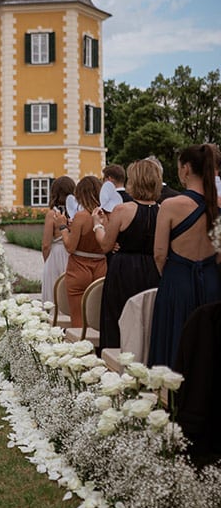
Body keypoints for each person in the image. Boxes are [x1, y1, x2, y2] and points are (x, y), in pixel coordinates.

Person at [148, 143, 221, 368]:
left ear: (186, 169)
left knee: (174, 342)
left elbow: (159, 254)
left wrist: (171, 275)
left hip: (177, 282)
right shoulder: (217, 206)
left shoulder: (170, 205)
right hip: (211, 282)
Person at [91, 159, 161, 350]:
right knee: (147, 321)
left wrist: (97, 224)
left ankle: (116, 365)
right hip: (152, 269)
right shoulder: (162, 210)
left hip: (124, 271)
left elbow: (106, 245)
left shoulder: (122, 210)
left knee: (118, 319)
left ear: (134, 181)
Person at [56, 175, 107, 327]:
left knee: (78, 321)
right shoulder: (107, 215)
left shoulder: (81, 216)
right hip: (102, 267)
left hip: (79, 267)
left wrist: (63, 227)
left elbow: (70, 247)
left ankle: (81, 349)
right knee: (98, 319)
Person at [41, 175, 75, 306]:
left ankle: (53, 319)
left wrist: (47, 261)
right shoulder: (77, 213)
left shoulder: (52, 214)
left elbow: (46, 244)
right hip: (72, 254)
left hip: (56, 254)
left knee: (53, 293)